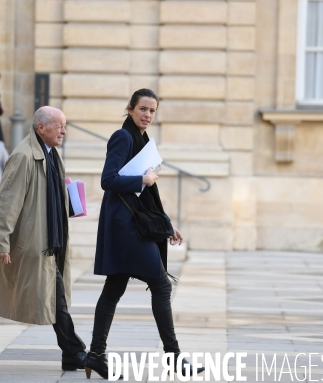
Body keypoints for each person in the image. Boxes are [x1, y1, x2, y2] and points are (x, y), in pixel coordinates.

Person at [0, 106, 88, 371]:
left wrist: (68, 203)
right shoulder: (24, 156)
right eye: (58, 125)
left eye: (64, 125)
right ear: (41, 128)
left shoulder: (50, 154)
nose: (64, 130)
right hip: (29, 244)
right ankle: (73, 351)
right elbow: (5, 203)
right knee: (49, 296)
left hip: (47, 240)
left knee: (10, 296)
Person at [83, 89, 205, 379]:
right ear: (130, 108)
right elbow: (107, 180)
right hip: (125, 226)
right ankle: (173, 357)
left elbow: (148, 194)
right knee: (161, 286)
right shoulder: (122, 137)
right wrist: (143, 177)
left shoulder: (143, 139)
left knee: (114, 289)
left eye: (152, 111)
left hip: (134, 223)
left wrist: (166, 222)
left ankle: (95, 355)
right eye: (143, 109)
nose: (147, 115)